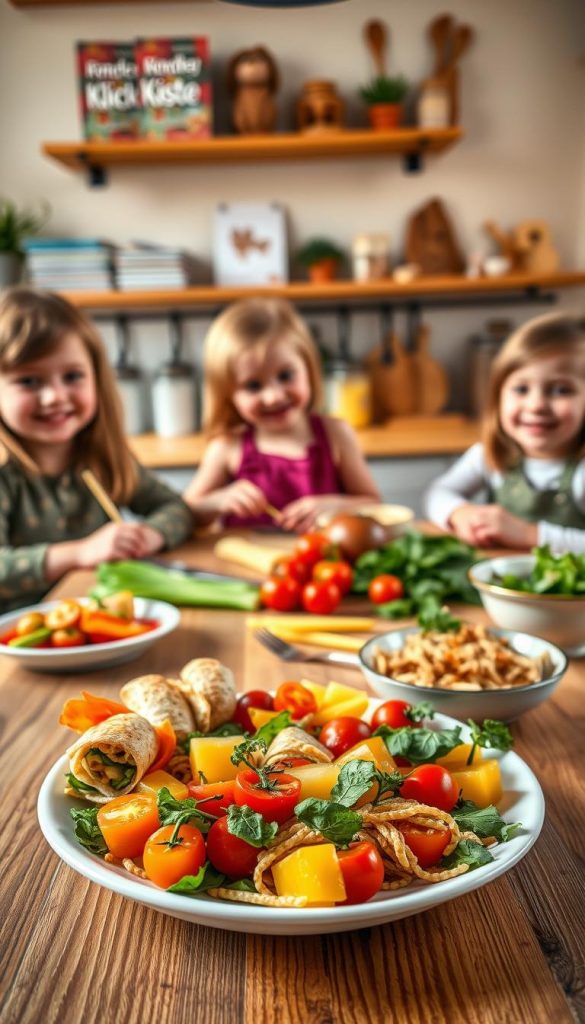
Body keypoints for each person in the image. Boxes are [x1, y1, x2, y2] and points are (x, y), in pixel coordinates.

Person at [0, 288, 194, 612]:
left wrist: (149, 536)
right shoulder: (6, 475)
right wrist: (80, 553)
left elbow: (176, 508)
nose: (54, 397)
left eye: (72, 376)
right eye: (29, 381)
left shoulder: (103, 456)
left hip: (98, 623)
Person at [183, 297, 380, 531]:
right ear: (228, 394)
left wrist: (337, 506)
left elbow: (375, 505)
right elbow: (186, 513)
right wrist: (217, 501)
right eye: (253, 386)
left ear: (308, 367)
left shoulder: (336, 434)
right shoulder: (227, 446)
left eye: (286, 376)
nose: (274, 397)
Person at [425, 312, 585, 553]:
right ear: (497, 397)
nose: (536, 405)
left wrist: (529, 535)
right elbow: (437, 493)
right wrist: (460, 514)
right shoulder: (489, 455)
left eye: (561, 390)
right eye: (521, 389)